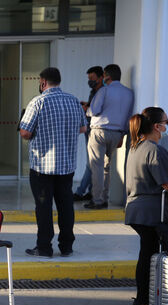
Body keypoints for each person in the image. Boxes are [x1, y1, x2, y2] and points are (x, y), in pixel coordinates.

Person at [125, 107, 168, 305]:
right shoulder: (155, 150)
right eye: (166, 121)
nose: (167, 125)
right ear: (156, 126)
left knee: (147, 254)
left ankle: (143, 299)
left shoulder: (137, 146)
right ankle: (143, 302)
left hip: (137, 210)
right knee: (148, 255)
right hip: (151, 212)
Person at [19, 67, 87, 258]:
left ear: (42, 83)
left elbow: (25, 132)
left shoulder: (38, 102)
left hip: (43, 167)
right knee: (66, 206)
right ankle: (66, 246)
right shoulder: (73, 100)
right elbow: (83, 128)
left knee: (43, 207)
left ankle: (44, 247)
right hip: (66, 166)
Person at [86, 64, 135, 209]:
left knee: (97, 167)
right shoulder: (129, 93)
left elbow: (94, 111)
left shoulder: (104, 90)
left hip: (99, 131)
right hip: (117, 134)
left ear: (106, 76)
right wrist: (123, 134)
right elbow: (129, 116)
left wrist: (86, 109)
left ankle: (97, 200)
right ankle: (104, 198)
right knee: (107, 168)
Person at [73, 66, 104, 201]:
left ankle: (80, 192)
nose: (90, 81)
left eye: (92, 78)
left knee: (92, 163)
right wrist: (87, 104)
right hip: (90, 127)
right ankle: (90, 191)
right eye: (89, 78)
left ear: (101, 77)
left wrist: (87, 108)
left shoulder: (103, 92)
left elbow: (97, 110)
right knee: (92, 162)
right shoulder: (94, 91)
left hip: (95, 130)